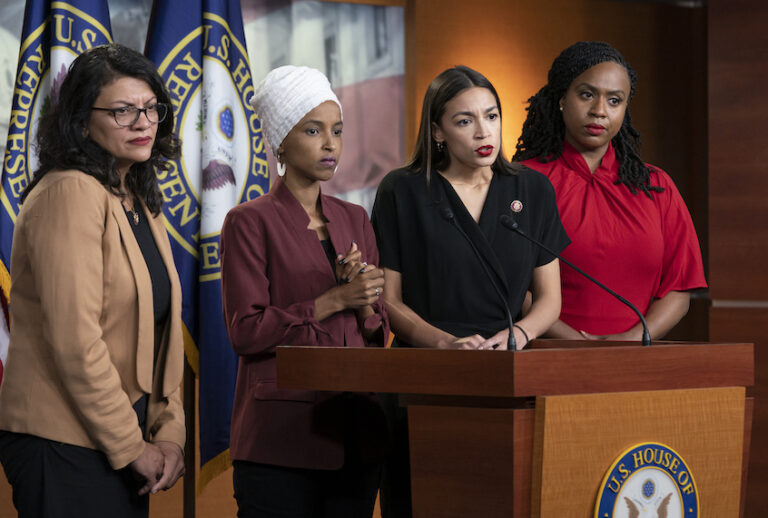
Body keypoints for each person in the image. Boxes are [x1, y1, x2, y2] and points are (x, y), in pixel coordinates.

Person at [371, 65, 569, 518]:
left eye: (492, 116)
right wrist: (443, 343)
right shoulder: (402, 191)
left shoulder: (532, 189)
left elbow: (550, 300)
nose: (484, 131)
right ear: (437, 130)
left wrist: (518, 335)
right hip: (423, 377)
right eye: (465, 121)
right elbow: (389, 299)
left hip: (507, 376)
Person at [0, 44, 186, 517]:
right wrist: (133, 446)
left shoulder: (136, 197)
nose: (143, 122)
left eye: (151, 108)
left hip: (118, 440)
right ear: (82, 122)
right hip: (62, 444)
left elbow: (163, 334)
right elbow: (76, 343)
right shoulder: (69, 192)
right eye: (123, 111)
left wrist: (170, 435)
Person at [221, 65, 389, 518]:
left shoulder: (354, 218)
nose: (330, 143)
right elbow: (247, 332)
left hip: (356, 435)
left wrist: (366, 299)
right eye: (313, 130)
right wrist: (334, 299)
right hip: (281, 444)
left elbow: (378, 332)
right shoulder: (249, 221)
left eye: (337, 130)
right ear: (279, 141)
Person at [513, 41, 707, 340]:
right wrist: (574, 344)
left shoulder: (656, 186)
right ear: (562, 98)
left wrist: (627, 343)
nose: (600, 111)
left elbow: (678, 288)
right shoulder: (523, 182)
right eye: (587, 95)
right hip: (546, 357)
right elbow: (512, 284)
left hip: (634, 363)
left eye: (614, 100)